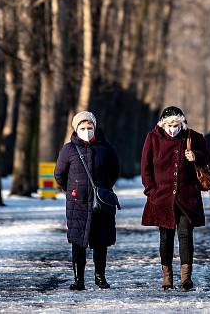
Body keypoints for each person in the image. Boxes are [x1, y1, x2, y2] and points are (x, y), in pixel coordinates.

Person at [141, 106, 210, 291]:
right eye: (169, 125)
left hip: (187, 196)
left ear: (182, 123)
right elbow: (146, 166)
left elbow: (208, 157)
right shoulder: (153, 138)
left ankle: (186, 278)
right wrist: (151, 190)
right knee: (165, 238)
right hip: (161, 197)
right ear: (163, 124)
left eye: (176, 125)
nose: (173, 128)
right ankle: (167, 278)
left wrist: (195, 155)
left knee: (185, 236)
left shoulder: (193, 137)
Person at [55, 111, 120, 290]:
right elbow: (59, 174)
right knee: (78, 241)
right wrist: (71, 190)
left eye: (89, 127)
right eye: (83, 128)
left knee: (101, 241)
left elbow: (114, 170)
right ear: (76, 129)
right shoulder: (68, 149)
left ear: (95, 128)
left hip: (101, 202)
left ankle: (100, 277)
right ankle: (79, 280)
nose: (86, 130)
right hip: (78, 203)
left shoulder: (105, 148)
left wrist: (103, 189)